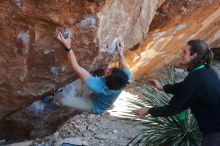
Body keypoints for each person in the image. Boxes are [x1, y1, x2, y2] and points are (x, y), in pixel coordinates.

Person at [133, 39, 220, 146]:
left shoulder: (195, 78)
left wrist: (149, 111)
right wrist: (163, 87)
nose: (181, 54)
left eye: (184, 52)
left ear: (194, 56)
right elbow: (184, 87)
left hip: (215, 135)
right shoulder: (208, 71)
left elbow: (174, 108)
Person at [55, 31, 132, 115]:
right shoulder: (125, 77)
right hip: (100, 95)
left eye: (109, 71)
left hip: (94, 105)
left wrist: (68, 47)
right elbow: (124, 67)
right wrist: (120, 53)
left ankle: (54, 98)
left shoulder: (98, 86)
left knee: (64, 100)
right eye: (113, 69)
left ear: (106, 81)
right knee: (84, 83)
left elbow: (77, 68)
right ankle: (80, 91)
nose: (109, 68)